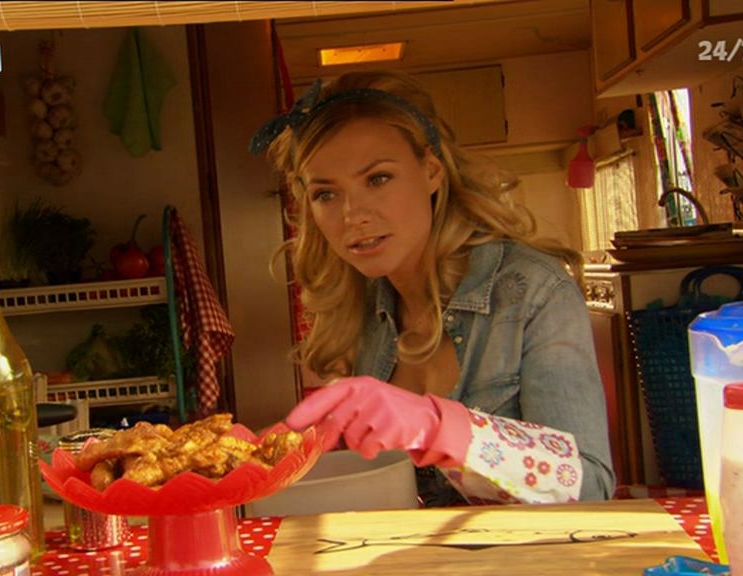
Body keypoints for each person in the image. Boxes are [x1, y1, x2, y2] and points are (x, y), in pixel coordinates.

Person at [250, 71, 614, 505]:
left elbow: (592, 490)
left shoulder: (535, 291)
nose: (352, 215)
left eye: (378, 179)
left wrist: (441, 429)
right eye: (326, 194)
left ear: (432, 171)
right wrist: (280, 455)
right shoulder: (365, 303)